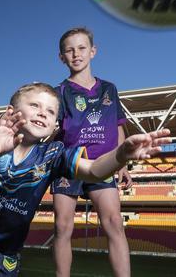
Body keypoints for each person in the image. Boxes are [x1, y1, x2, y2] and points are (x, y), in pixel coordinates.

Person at [0, 83, 170, 276]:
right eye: (35, 105)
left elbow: (96, 170)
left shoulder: (54, 154)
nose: (43, 113)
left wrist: (122, 153)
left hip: (5, 246)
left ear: (54, 126)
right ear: (11, 111)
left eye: (51, 112)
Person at [50, 27, 133, 277]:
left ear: (93, 51)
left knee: (115, 223)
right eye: (69, 50)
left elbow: (119, 128)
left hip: (103, 163)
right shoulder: (60, 92)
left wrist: (123, 164)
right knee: (62, 226)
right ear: (62, 57)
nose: (76, 54)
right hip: (69, 164)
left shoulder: (109, 89)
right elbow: (53, 130)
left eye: (82, 47)